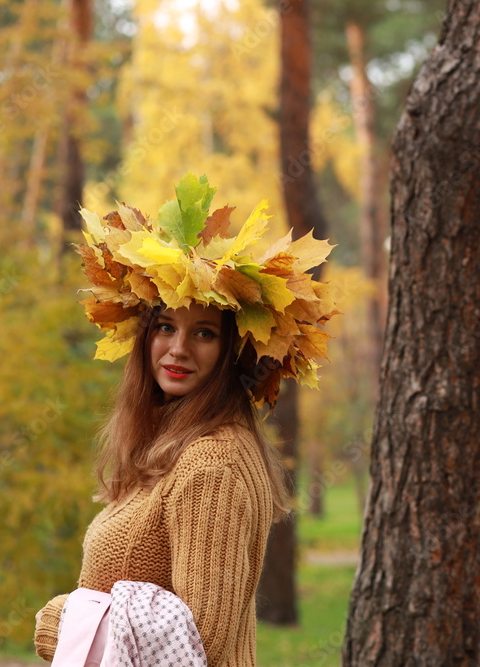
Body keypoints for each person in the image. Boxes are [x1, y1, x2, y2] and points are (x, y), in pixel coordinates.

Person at [33, 173, 338, 666]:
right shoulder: (169, 448)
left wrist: (61, 621)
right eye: (166, 327)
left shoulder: (212, 462)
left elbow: (197, 642)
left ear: (231, 351)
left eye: (204, 333)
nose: (178, 349)